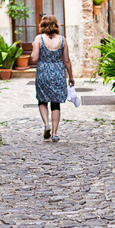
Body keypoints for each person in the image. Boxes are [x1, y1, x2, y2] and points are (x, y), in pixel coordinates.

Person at [30, 14, 74, 142]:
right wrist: (71, 76)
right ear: (56, 25)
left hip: (43, 72)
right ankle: (54, 133)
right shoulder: (62, 40)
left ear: (42, 25)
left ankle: (46, 124)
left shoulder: (39, 39)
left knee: (42, 100)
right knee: (55, 103)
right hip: (58, 72)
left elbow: (34, 58)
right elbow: (66, 60)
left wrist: (34, 47)